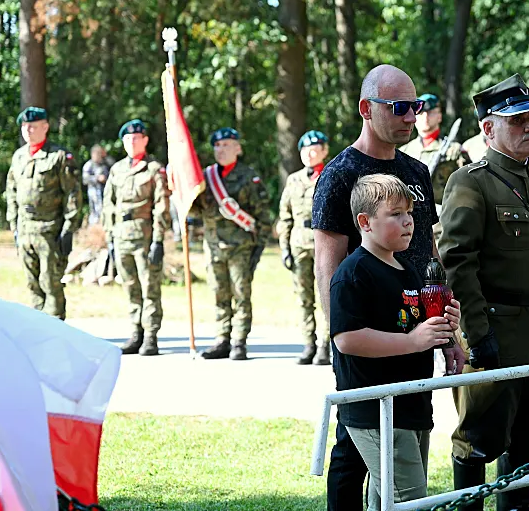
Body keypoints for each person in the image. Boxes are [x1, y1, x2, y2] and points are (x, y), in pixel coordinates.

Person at [312, 64, 466, 510]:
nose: (411, 117)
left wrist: (447, 335)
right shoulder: (340, 173)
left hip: (415, 332)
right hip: (366, 338)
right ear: (366, 108)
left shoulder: (416, 171)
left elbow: (429, 255)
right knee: (353, 449)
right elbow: (327, 264)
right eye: (399, 107)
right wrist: (342, 340)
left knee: (408, 439)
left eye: (415, 106)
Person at [439, 74, 529, 511]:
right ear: (488, 128)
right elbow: (458, 264)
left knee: (525, 439)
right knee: (478, 438)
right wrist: (478, 334)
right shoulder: (470, 182)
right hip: (495, 329)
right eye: (517, 120)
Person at [331, 173, 461, 510]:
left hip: (412, 405)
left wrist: (445, 324)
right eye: (396, 214)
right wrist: (414, 342)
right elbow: (347, 339)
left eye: (410, 213)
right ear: (365, 222)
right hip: (377, 410)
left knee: (388, 501)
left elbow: (418, 326)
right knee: (410, 501)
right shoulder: (354, 272)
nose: (408, 222)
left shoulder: (408, 269)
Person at [190, 127, 271, 361]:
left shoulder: (248, 177)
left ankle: (239, 341)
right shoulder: (206, 177)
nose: (221, 149)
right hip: (213, 246)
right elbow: (196, 210)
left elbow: (263, 216)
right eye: (217, 145)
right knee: (219, 293)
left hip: (240, 248)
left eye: (226, 145)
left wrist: (259, 247)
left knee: (240, 294)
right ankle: (222, 339)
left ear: (238, 148)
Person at [102, 120, 171, 355]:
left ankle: (150, 335)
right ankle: (136, 331)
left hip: (145, 237)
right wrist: (110, 236)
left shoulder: (154, 169)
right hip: (121, 236)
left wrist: (158, 239)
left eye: (136, 138)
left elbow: (161, 206)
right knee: (130, 285)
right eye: (128, 139)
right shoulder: (117, 169)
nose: (132, 143)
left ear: (145, 140)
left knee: (149, 286)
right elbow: (108, 204)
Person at [5, 106, 81, 320]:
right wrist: (14, 225)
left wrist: (68, 229)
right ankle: (39, 329)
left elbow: (72, 194)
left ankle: (55, 330)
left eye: (33, 126)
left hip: (49, 231)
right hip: (25, 230)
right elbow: (11, 192)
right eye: (25, 126)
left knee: (51, 284)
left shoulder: (58, 156)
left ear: (45, 127)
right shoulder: (19, 157)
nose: (27, 131)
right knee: (33, 285)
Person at [278, 130, 331, 365]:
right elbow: (285, 217)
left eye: (314, 149)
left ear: (324, 151)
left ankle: (325, 345)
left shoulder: (331, 175)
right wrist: (284, 248)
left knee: (326, 296)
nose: (309, 154)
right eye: (304, 150)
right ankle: (309, 343)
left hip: (325, 245)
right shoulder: (293, 180)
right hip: (299, 245)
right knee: (303, 298)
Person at [399, 93, 471, 209]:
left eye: (430, 112)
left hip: (443, 216)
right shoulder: (403, 152)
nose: (425, 117)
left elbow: (468, 189)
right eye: (421, 113)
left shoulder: (454, 151)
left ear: (439, 116)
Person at [83, 145, 113, 225]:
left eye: (100, 154)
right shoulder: (89, 165)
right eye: (97, 154)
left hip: (105, 191)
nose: (99, 156)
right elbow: (85, 179)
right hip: (94, 192)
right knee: (95, 213)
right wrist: (97, 178)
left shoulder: (105, 163)